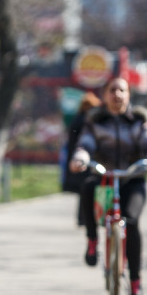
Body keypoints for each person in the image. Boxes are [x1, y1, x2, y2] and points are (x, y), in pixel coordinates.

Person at [70, 76, 147, 295]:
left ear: (129, 94)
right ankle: (92, 240)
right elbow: (85, 144)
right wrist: (80, 157)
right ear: (105, 95)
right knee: (87, 186)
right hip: (105, 179)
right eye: (113, 90)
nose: (117, 94)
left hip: (132, 179)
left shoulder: (139, 121)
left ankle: (135, 281)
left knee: (130, 223)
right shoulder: (95, 120)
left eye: (122, 90)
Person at [62, 92, 103, 224]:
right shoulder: (86, 121)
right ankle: (86, 218)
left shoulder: (78, 118)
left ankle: (82, 218)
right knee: (87, 189)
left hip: (77, 158)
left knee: (83, 191)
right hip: (84, 159)